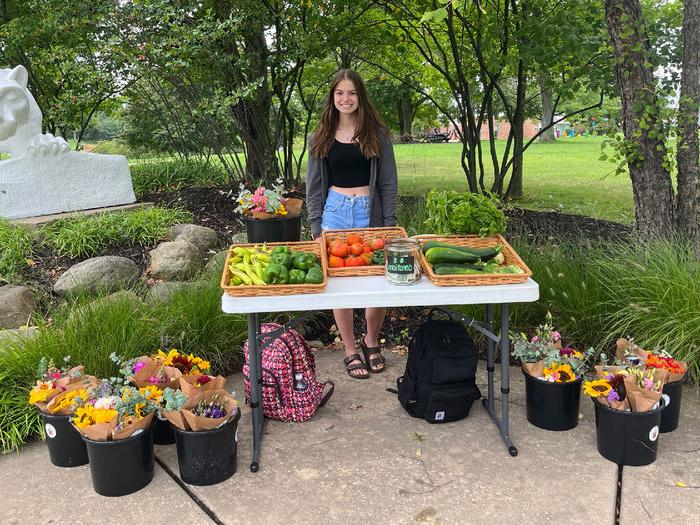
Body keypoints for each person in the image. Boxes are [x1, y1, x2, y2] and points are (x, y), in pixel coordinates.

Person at [306, 69, 398, 380]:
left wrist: (389, 224)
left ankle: (371, 340)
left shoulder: (378, 135)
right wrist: (316, 224)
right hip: (335, 213)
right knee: (340, 289)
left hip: (368, 213)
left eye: (352, 93)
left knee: (379, 286)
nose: (346, 99)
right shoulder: (320, 137)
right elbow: (315, 186)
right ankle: (349, 349)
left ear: (360, 97)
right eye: (340, 93)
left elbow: (388, 184)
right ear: (332, 98)